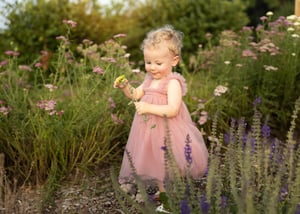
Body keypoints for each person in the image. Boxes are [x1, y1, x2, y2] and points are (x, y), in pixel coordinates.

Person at [114, 25, 208, 213]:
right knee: (156, 161)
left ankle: (168, 202)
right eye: (148, 62)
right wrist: (125, 87)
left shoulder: (172, 83)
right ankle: (165, 192)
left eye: (158, 63)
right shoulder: (149, 79)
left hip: (168, 128)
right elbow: (135, 94)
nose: (152, 67)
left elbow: (173, 109)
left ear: (174, 61)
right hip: (149, 129)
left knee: (166, 161)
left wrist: (148, 107)